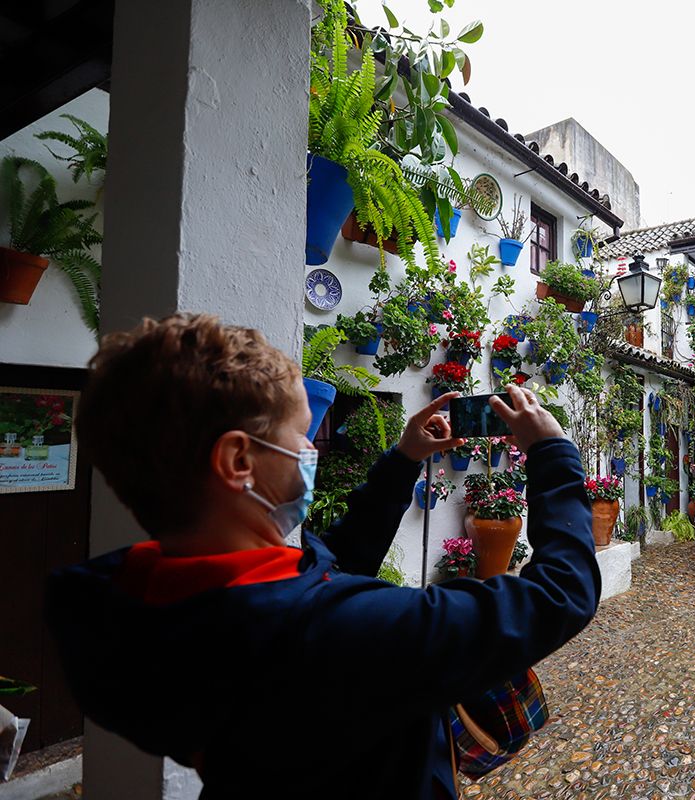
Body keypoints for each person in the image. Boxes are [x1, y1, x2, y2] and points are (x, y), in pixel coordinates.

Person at [44, 313, 601, 800]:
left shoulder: (135, 609)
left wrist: (404, 457)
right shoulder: (339, 633)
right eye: (300, 434)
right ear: (238, 460)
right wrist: (552, 455)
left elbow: (329, 565)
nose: (311, 448)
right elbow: (559, 596)